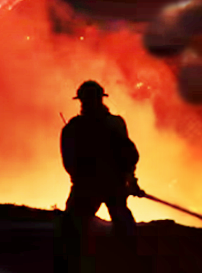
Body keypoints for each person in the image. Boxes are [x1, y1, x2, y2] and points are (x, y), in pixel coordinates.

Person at [58, 80, 144, 273]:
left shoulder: (74, 127)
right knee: (121, 223)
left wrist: (130, 179)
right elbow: (129, 155)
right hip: (108, 184)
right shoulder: (112, 123)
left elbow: (69, 161)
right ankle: (130, 261)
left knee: (73, 228)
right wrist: (130, 180)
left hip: (90, 187)